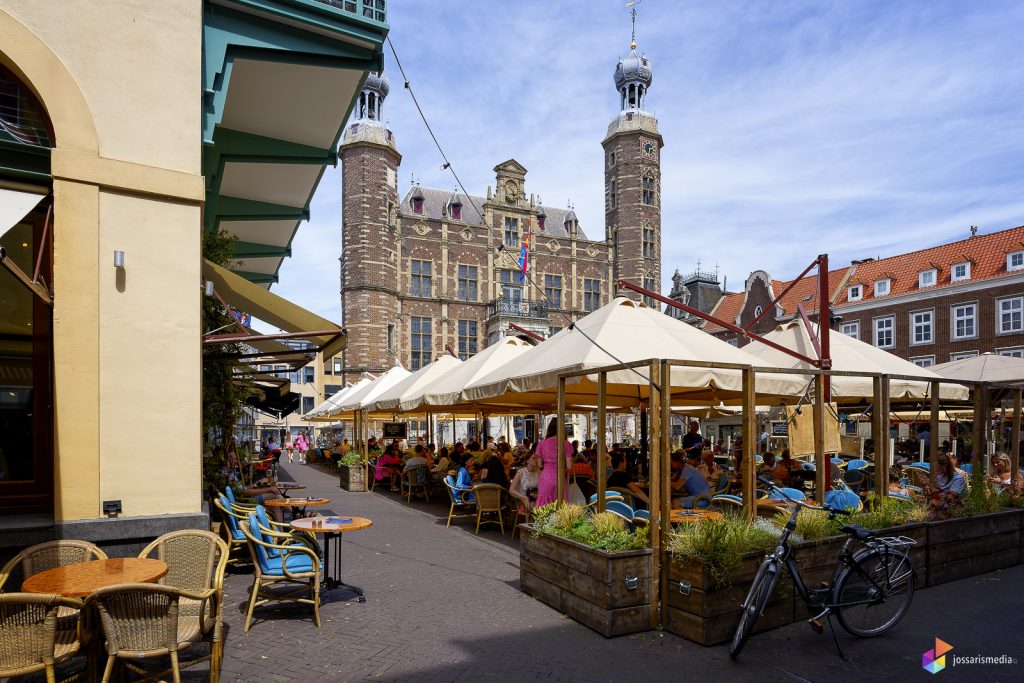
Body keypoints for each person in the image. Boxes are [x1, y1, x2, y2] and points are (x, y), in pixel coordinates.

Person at [535, 418, 574, 507]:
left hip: (545, 477)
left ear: (550, 429)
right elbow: (569, 466)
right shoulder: (566, 444)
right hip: (560, 478)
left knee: (544, 506)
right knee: (561, 506)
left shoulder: (541, 444)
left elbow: (540, 465)